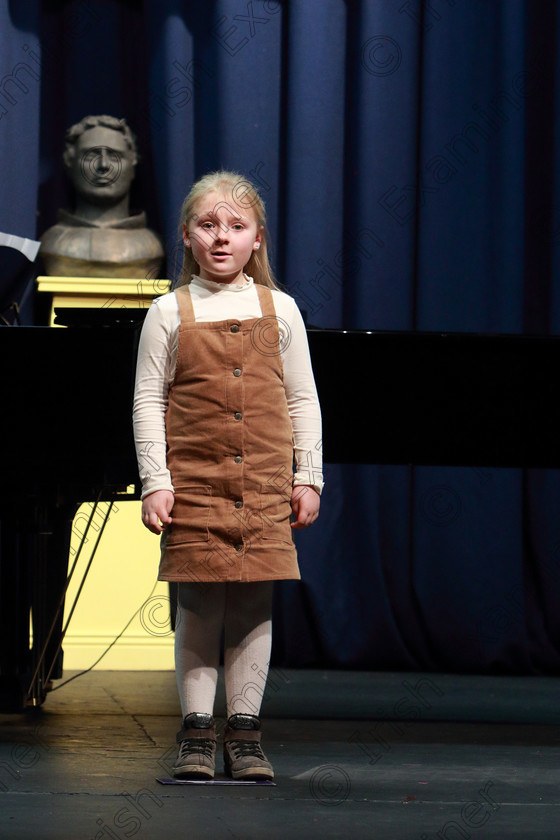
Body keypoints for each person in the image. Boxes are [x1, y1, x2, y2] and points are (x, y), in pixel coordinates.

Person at [133, 170, 323, 781]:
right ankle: (196, 733)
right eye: (208, 226)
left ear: (257, 239)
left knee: (251, 602)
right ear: (187, 236)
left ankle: (244, 734)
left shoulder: (281, 309)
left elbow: (303, 400)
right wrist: (155, 479)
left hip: (264, 482)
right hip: (195, 481)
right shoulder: (168, 311)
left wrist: (308, 476)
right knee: (198, 599)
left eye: (236, 227)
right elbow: (147, 402)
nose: (222, 238)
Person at [40, 115, 164, 278]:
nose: (103, 165)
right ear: (70, 163)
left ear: (132, 165)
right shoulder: (51, 243)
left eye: (114, 156)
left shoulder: (152, 246)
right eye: (91, 155)